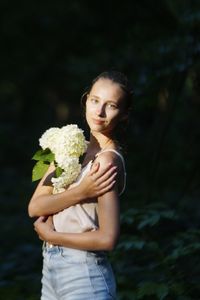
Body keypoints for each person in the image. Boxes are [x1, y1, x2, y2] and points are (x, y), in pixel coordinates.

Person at [28, 70, 132, 300]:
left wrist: (52, 236)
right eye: (95, 100)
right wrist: (82, 192)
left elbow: (107, 238)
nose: (100, 111)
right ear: (86, 100)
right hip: (51, 270)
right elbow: (35, 207)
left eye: (111, 105)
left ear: (124, 114)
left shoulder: (106, 160)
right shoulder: (70, 147)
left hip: (84, 274)